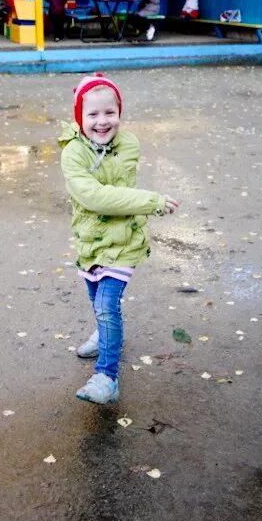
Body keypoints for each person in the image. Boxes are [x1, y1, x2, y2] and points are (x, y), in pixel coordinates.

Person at [59, 74, 180, 404]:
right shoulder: (72, 154)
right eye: (93, 115)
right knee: (96, 298)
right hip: (90, 240)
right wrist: (150, 199)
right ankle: (105, 335)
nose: (102, 121)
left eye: (109, 113)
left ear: (119, 113)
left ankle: (106, 377)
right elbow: (95, 198)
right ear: (79, 118)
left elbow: (119, 192)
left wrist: (151, 203)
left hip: (125, 239)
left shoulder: (128, 144)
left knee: (106, 304)